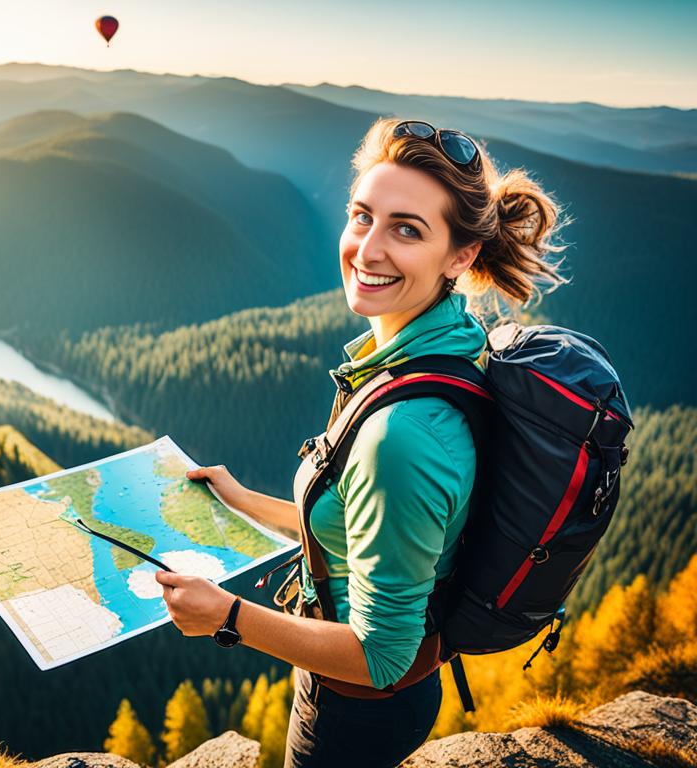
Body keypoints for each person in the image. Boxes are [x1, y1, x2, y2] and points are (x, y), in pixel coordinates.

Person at [154, 116, 568, 767]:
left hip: (354, 712)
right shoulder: (437, 351)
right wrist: (244, 503)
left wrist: (229, 616)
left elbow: (380, 658)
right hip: (381, 701)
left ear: (460, 256)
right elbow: (364, 532)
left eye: (407, 229)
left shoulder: (401, 434)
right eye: (361, 216)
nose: (367, 248)